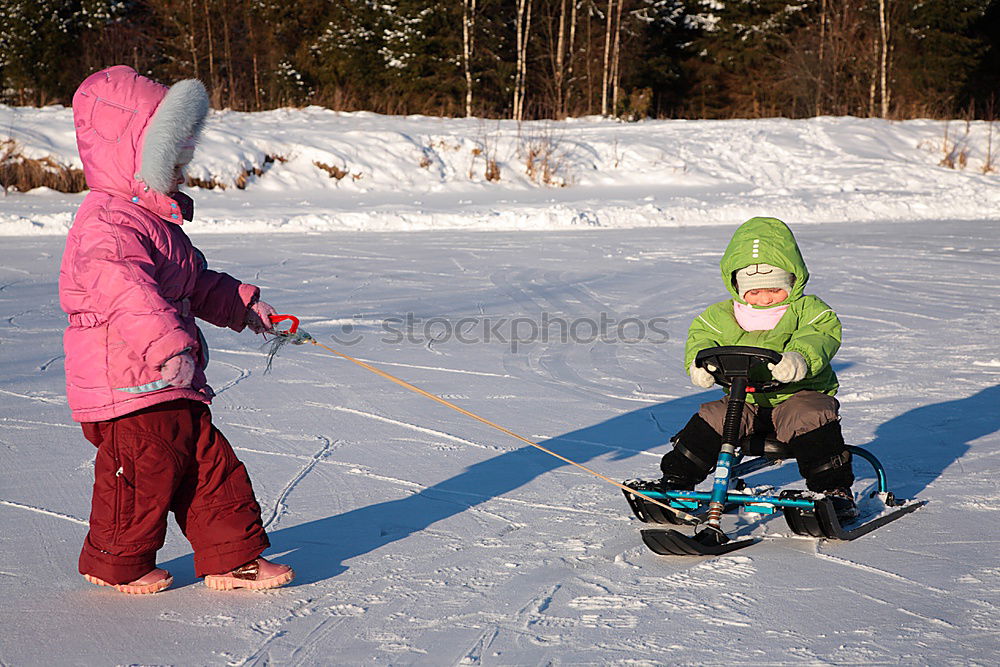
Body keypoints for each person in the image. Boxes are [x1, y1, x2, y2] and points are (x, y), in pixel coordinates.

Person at [59, 65, 293, 594]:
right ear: (137, 156)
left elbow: (194, 282)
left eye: (184, 158)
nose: (182, 171)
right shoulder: (106, 224)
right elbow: (123, 290)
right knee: (142, 477)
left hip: (169, 378)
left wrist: (245, 307)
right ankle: (115, 562)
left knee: (212, 468)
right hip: (128, 383)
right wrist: (167, 346)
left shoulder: (156, 225)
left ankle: (231, 558)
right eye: (173, 159)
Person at [656, 216, 858, 520]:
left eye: (774, 290)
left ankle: (832, 490)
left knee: (809, 416)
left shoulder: (808, 310)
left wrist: (798, 358)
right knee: (713, 416)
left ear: (792, 280)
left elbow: (821, 335)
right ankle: (675, 482)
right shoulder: (720, 316)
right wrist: (699, 363)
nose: (765, 298)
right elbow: (701, 337)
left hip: (798, 395)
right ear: (738, 286)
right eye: (755, 291)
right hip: (744, 400)